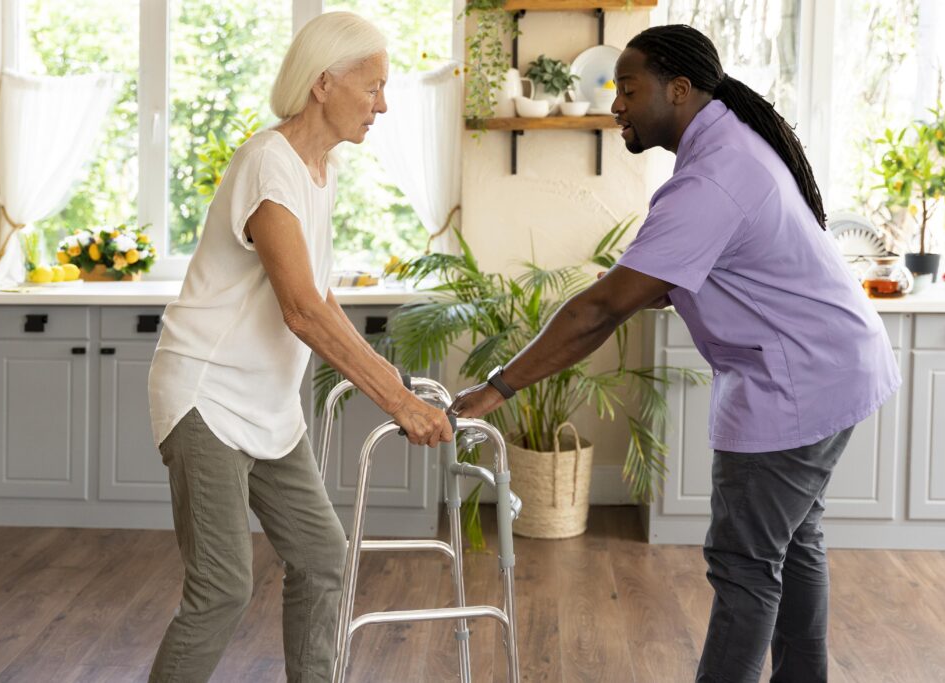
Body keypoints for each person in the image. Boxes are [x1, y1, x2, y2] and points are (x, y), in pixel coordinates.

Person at [449, 24, 900, 683]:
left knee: (746, 567)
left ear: (679, 90)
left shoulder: (714, 177)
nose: (617, 106)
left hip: (797, 384)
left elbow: (598, 311)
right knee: (792, 545)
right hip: (837, 368)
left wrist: (495, 388)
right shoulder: (732, 150)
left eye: (628, 89)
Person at [146, 12, 453, 682]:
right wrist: (396, 400)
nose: (383, 103)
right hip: (206, 396)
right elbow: (302, 310)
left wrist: (394, 380)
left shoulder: (319, 170)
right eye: (372, 87)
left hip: (267, 408)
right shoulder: (269, 164)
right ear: (323, 83)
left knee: (321, 557)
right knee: (222, 586)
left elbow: (325, 301)